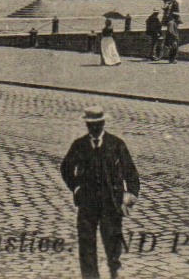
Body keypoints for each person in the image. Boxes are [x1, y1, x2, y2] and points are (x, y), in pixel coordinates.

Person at [60, 106, 141, 279]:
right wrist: (75, 187)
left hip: (110, 201)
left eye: (97, 125)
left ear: (103, 123)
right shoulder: (79, 145)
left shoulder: (116, 144)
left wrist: (130, 194)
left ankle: (115, 272)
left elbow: (131, 172)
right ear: (86, 125)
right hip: (87, 202)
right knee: (86, 242)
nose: (94, 129)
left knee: (112, 239)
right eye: (90, 125)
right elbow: (66, 167)